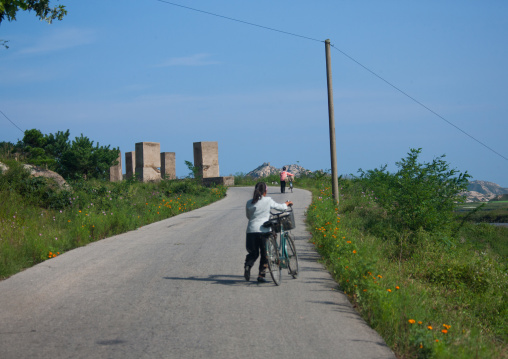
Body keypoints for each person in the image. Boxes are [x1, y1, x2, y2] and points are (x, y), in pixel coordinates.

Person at [245, 182, 293, 283]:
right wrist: (287, 204)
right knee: (265, 253)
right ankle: (261, 275)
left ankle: (248, 266)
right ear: (265, 191)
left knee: (253, 253)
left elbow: (249, 216)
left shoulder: (249, 202)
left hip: (251, 231)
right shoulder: (268, 200)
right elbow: (280, 207)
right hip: (264, 231)